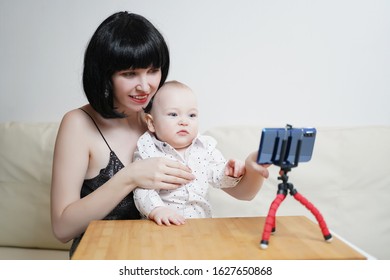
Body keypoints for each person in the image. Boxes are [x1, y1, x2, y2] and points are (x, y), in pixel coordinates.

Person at [50, 11, 268, 259]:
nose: (145, 86)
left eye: (153, 70)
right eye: (129, 74)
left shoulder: (164, 118)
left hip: (167, 253)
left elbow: (241, 192)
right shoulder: (79, 124)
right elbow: (62, 228)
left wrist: (252, 168)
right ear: (105, 74)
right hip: (106, 255)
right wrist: (130, 177)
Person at [133, 80, 269, 226]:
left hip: (200, 225)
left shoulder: (205, 147)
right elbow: (142, 189)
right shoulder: (147, 148)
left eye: (191, 115)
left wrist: (230, 172)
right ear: (151, 123)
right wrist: (157, 210)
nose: (184, 121)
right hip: (162, 225)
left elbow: (218, 178)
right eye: (173, 114)